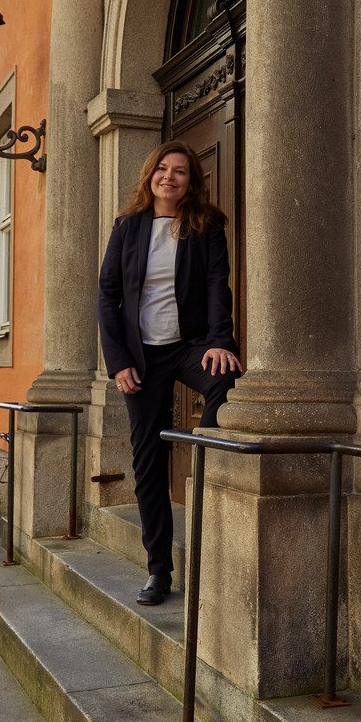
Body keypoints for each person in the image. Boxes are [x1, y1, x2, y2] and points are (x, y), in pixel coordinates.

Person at [98, 140, 242, 606]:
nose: (169, 177)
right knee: (147, 466)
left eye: (180, 171)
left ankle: (208, 459)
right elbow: (107, 297)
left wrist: (221, 341)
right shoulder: (127, 227)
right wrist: (117, 361)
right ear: (150, 175)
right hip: (141, 359)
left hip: (188, 347)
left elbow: (219, 284)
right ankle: (159, 571)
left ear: (190, 181)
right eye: (162, 168)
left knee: (226, 378)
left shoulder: (206, 225)